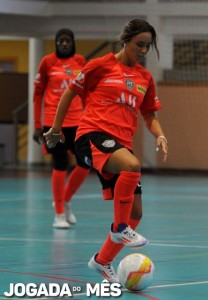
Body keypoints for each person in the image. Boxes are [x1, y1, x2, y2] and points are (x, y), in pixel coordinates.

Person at [43, 19, 168, 283]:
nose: (144, 51)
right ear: (126, 41)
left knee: (137, 213)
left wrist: (160, 135)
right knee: (132, 166)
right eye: (139, 45)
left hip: (121, 144)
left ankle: (102, 261)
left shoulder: (145, 78)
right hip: (91, 135)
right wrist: (55, 129)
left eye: (148, 46)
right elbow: (69, 94)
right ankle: (119, 228)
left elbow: (149, 115)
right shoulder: (100, 65)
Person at [33, 28, 90, 229]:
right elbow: (38, 94)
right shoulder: (47, 62)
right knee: (60, 164)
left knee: (85, 163)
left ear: (73, 42)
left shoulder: (80, 62)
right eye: (60, 41)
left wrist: (89, 118)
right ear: (56, 43)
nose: (64, 44)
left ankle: (65, 200)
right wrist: (37, 126)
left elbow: (86, 92)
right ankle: (58, 214)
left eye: (67, 41)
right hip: (53, 121)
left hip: (77, 121)